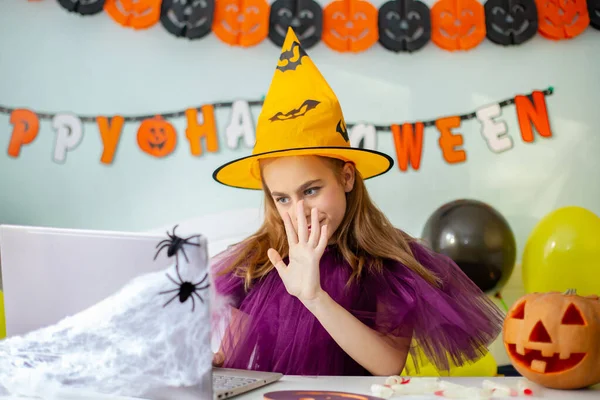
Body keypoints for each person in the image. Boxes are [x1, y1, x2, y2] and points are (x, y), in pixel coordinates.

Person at [209, 28, 504, 377]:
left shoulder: (387, 263)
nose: (299, 211)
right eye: (283, 198)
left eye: (311, 190)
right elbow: (230, 358)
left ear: (347, 177)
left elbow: (389, 364)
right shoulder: (259, 261)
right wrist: (206, 365)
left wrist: (314, 297)